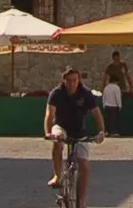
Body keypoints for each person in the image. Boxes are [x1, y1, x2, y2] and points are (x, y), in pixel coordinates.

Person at [45, 68, 105, 202]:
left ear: (79, 80)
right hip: (61, 126)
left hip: (79, 131)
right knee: (58, 139)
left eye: (75, 80)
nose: (72, 84)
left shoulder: (86, 93)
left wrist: (101, 132)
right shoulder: (56, 93)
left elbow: (96, 113)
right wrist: (48, 133)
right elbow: (49, 114)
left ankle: (81, 201)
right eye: (69, 81)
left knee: (83, 164)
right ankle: (57, 176)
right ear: (64, 81)